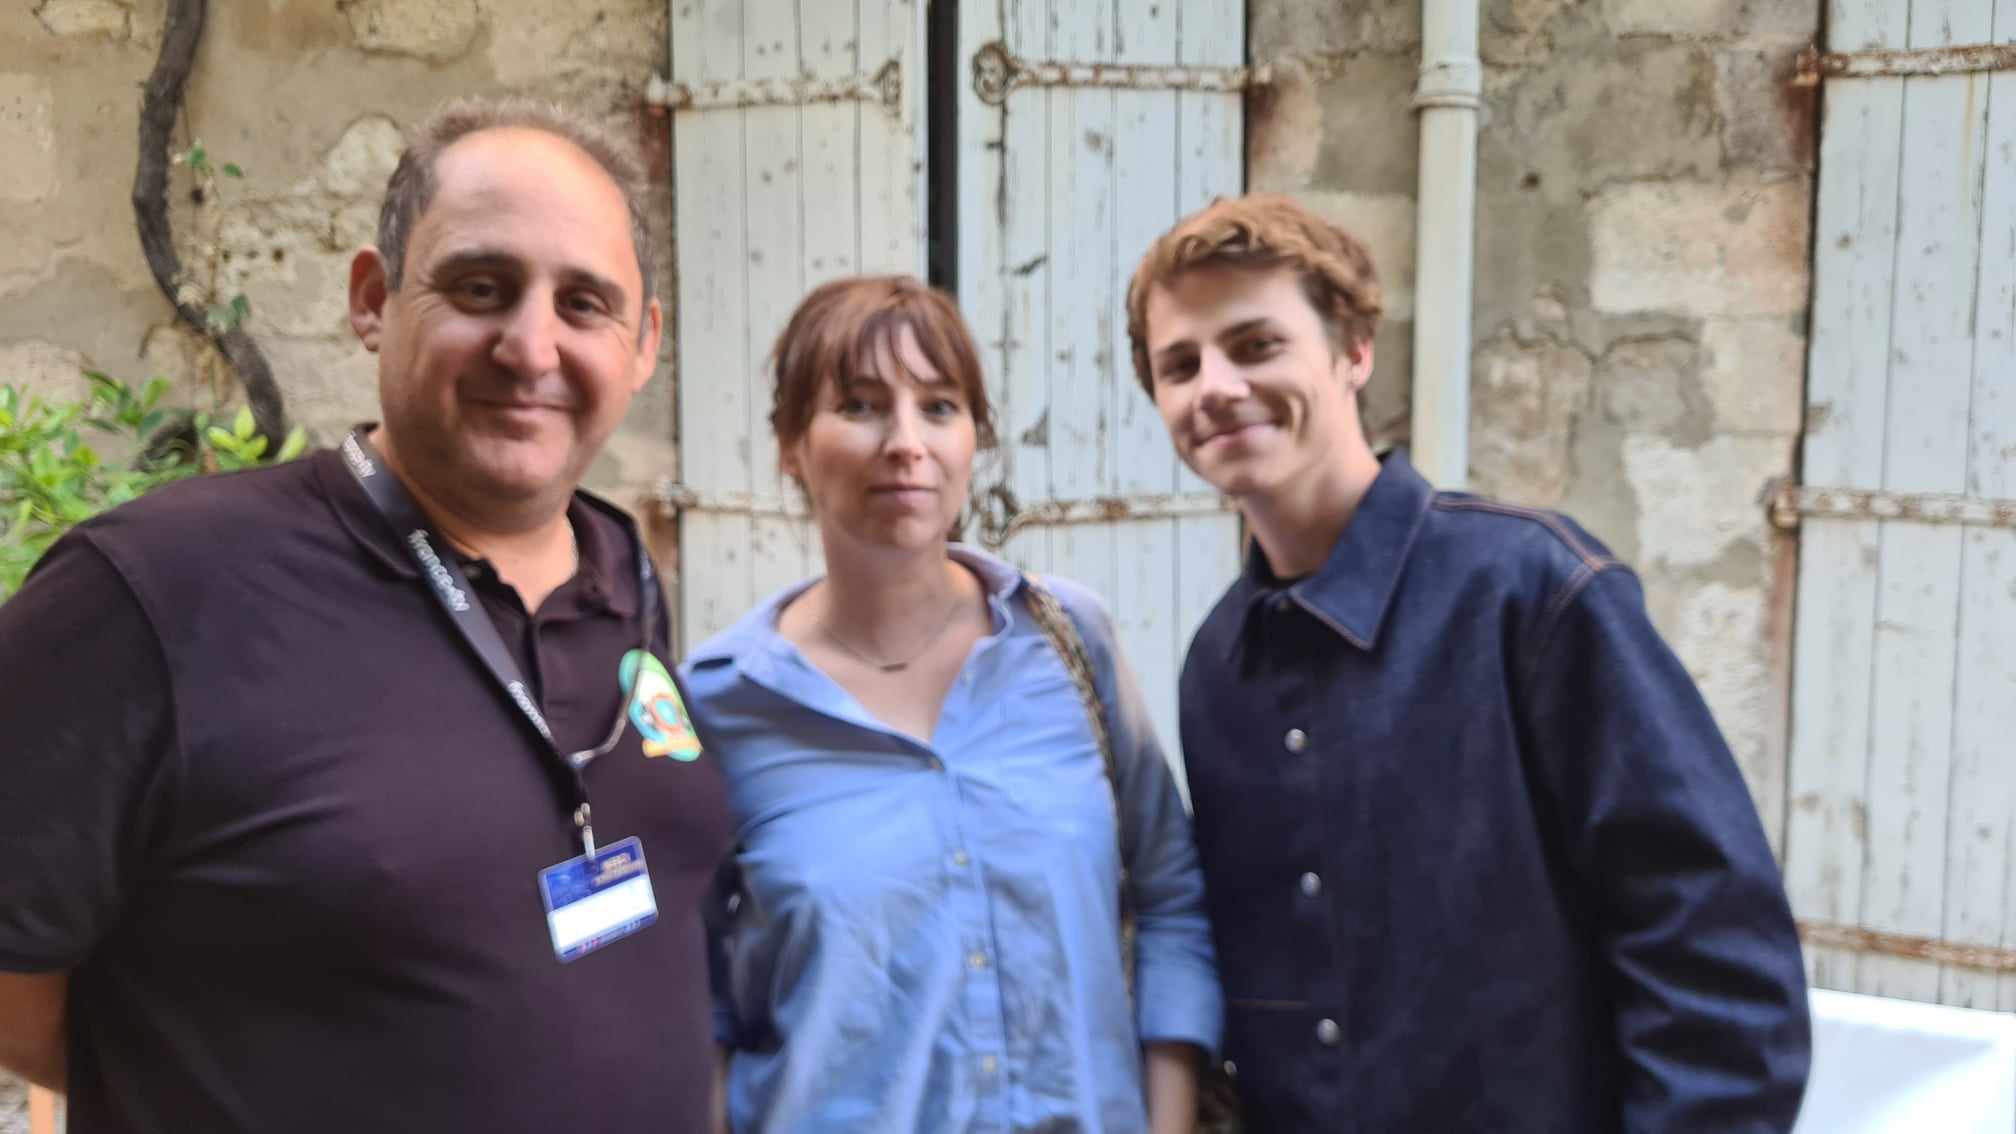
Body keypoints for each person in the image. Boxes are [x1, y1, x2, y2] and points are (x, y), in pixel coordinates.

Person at [0, 98, 731, 1132]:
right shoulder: (157, 592)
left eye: (583, 303)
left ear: (642, 343)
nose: (531, 348)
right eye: (480, 288)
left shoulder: (620, 575)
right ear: (374, 299)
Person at [1125, 194, 1811, 1132]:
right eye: (1180, 365)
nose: (1214, 386)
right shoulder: (1218, 666)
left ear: (1354, 350)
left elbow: (1717, 964)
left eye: (1256, 345)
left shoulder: (1532, 593)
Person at [682, 275, 1220, 1133]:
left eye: (938, 407)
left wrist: (1167, 1118)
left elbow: (1169, 895)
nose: (906, 444)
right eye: (860, 406)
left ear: (976, 438)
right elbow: (688, 991)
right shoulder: (721, 703)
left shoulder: (1068, 641)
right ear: (790, 445)